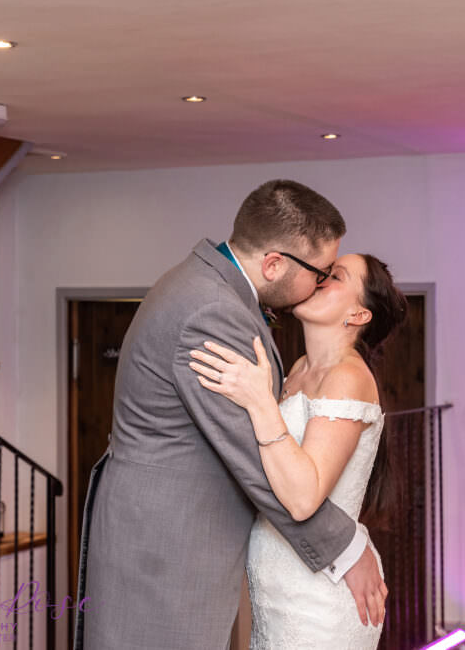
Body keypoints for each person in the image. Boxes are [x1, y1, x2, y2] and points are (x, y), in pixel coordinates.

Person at [75, 180, 387, 650]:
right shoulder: (211, 312)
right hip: (166, 554)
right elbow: (252, 457)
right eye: (321, 271)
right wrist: (346, 546)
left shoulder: (205, 287)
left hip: (178, 546)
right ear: (274, 264)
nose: (321, 281)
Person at [189, 252, 407, 648]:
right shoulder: (299, 368)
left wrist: (259, 402)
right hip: (277, 590)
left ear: (359, 315)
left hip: (319, 602)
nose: (319, 278)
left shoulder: (347, 375)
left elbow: (305, 497)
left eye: (335, 276)